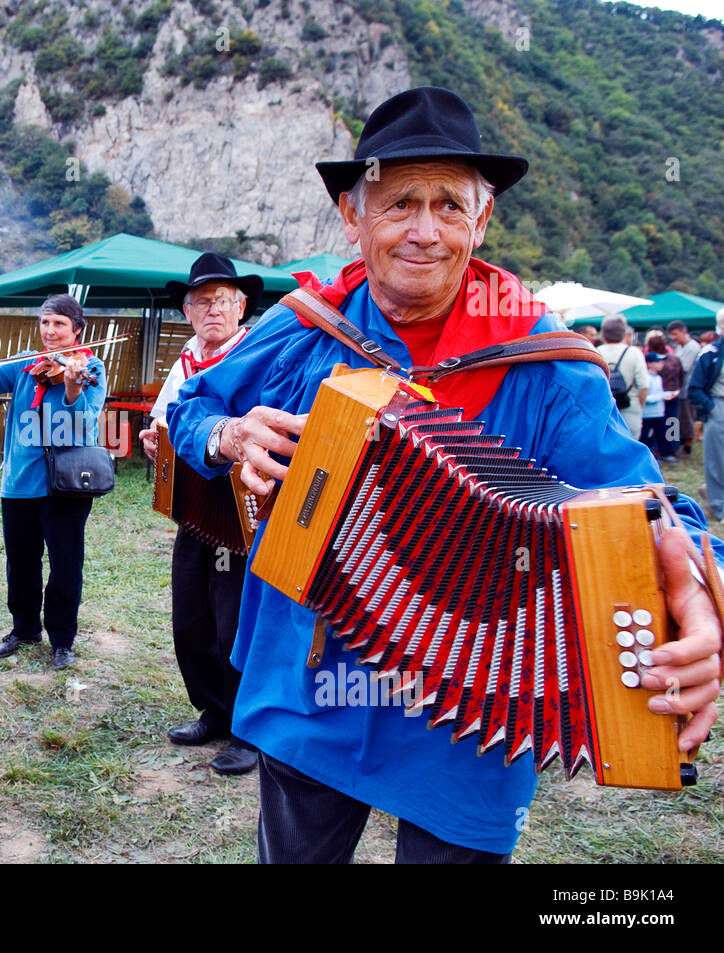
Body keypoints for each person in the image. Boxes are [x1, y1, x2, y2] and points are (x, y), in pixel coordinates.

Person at [168, 86, 721, 863]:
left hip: (472, 703)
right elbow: (191, 408)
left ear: (482, 219)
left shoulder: (543, 359)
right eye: (399, 203)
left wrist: (699, 580)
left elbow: (644, 503)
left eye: (450, 206)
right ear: (352, 215)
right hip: (309, 677)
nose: (425, 232)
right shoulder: (302, 327)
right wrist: (227, 433)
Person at [139, 252, 261, 776]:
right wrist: (151, 440)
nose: (212, 310)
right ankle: (213, 708)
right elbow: (163, 422)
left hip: (244, 510)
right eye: (202, 301)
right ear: (187, 311)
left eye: (223, 300)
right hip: (194, 509)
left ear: (241, 308)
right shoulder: (184, 360)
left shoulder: (257, 353)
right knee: (192, 615)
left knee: (237, 619)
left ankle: (248, 730)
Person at [0, 294, 106, 670]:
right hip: (21, 480)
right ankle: (24, 628)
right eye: (45, 323)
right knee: (21, 562)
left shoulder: (91, 366)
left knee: (65, 563)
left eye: (59, 323)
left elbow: (87, 421)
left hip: (67, 484)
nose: (50, 330)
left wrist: (73, 388)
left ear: (77, 328)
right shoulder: (28, 364)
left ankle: (62, 639)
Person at [689, 308, 724, 520]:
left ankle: (711, 493)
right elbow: (694, 388)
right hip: (719, 405)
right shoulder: (710, 353)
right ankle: (719, 505)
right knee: (717, 460)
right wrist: (711, 407)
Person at [597, 315, 647, 437]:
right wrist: (640, 406)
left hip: (603, 409)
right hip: (630, 407)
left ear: (603, 334)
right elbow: (644, 386)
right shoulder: (634, 352)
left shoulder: (595, 351)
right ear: (625, 333)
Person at [669, 320, 700, 457]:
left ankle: (687, 445)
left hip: (687, 390)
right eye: (671, 335)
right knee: (676, 419)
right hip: (678, 389)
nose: (673, 338)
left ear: (684, 332)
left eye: (675, 334)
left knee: (686, 419)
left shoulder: (692, 347)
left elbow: (685, 367)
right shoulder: (680, 347)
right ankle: (677, 444)